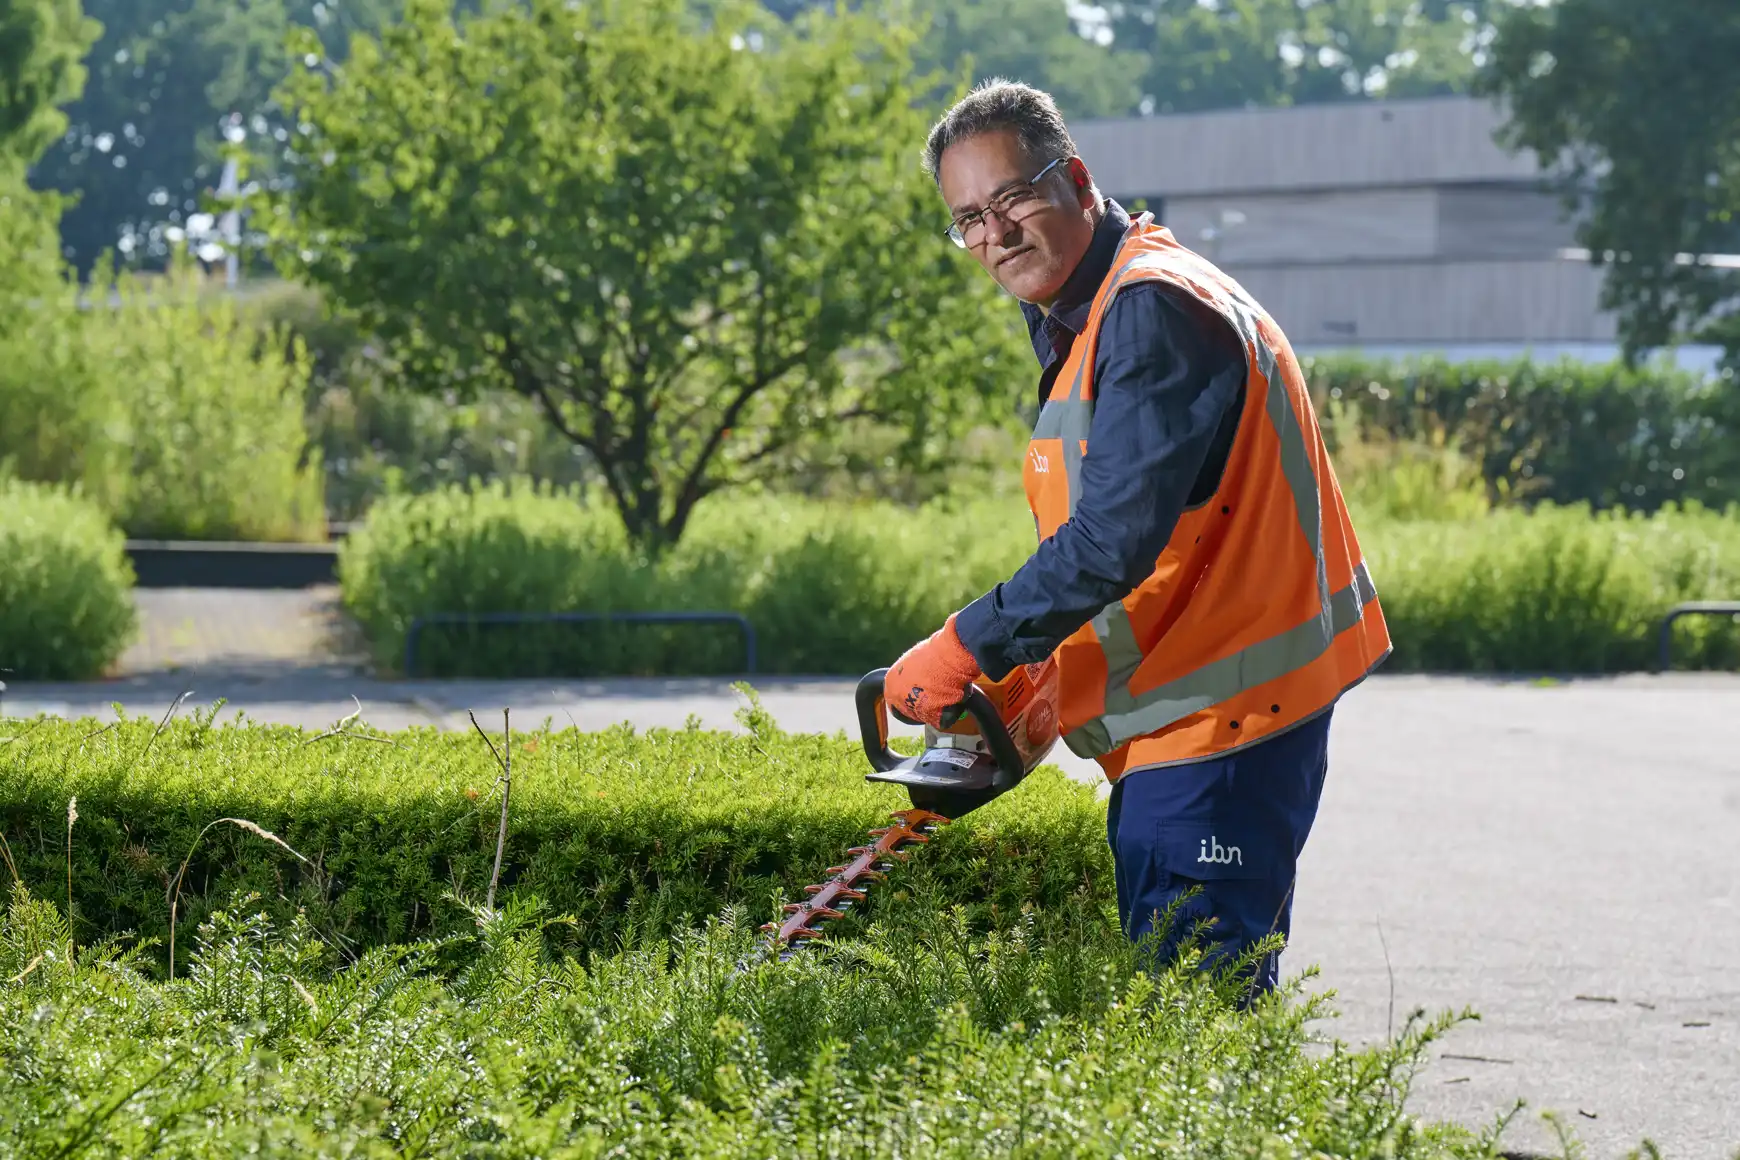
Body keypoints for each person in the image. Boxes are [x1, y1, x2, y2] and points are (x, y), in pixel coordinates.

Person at [883, 79, 1393, 996]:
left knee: (1194, 1012)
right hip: (1191, 715)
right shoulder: (1092, 310)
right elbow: (1157, 539)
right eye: (969, 220)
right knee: (1183, 1005)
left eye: (1012, 199)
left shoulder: (1154, 308)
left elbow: (1113, 539)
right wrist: (1041, 674)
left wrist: (967, 643)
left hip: (1224, 718)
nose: (996, 234)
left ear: (1077, 181)